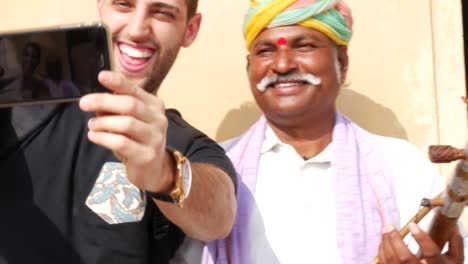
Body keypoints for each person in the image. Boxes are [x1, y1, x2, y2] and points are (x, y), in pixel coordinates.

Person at [174, 0, 465, 263]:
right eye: (265, 51)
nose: (283, 64)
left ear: (342, 62)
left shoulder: (402, 165)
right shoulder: (212, 173)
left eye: (304, 46)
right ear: (249, 67)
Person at [0, 0, 236, 263]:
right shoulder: (17, 105)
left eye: (162, 13)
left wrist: (165, 173)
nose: (136, 30)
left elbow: (220, 216)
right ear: (101, 6)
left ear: (190, 30)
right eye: (123, 5)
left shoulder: (188, 145)